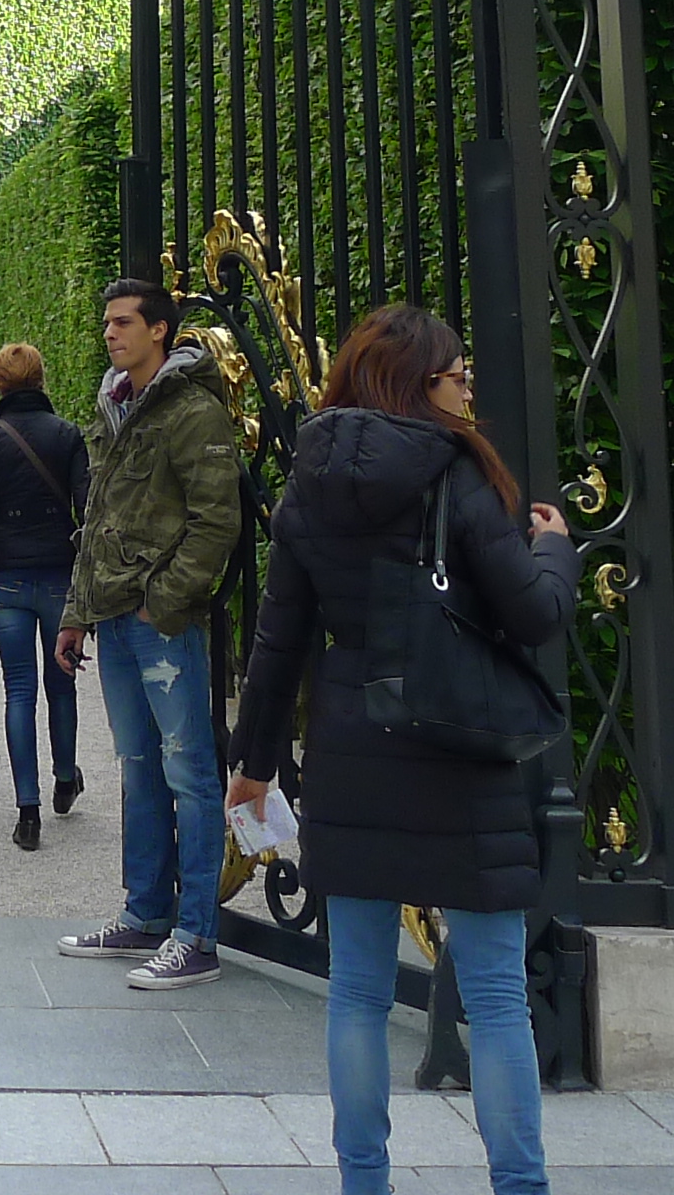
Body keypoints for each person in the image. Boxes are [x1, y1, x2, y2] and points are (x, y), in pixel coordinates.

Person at [230, 303, 575, 1195]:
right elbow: (534, 614)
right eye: (459, 375)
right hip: (460, 743)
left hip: (355, 744)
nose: (468, 391)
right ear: (422, 383)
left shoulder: (309, 483)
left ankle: (364, 1182)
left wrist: (254, 764)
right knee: (495, 994)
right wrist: (554, 552)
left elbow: (279, 639)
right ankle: (520, 1186)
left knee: (357, 991)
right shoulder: (455, 472)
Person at [54, 277, 245, 991]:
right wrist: (77, 611)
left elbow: (216, 521)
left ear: (160, 330)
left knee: (189, 774)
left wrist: (162, 603)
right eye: (108, 322)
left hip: (160, 623)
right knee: (139, 769)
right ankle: (145, 914)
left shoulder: (192, 411)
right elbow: (98, 520)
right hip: (115, 617)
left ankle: (196, 935)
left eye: (124, 322)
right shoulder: (116, 405)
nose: (110, 333)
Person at [0, 341, 90, 849]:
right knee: (61, 682)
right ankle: (65, 775)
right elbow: (86, 509)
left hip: (5, 575)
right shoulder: (67, 434)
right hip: (58, 573)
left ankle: (28, 810)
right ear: (42, 379)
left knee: (18, 689)